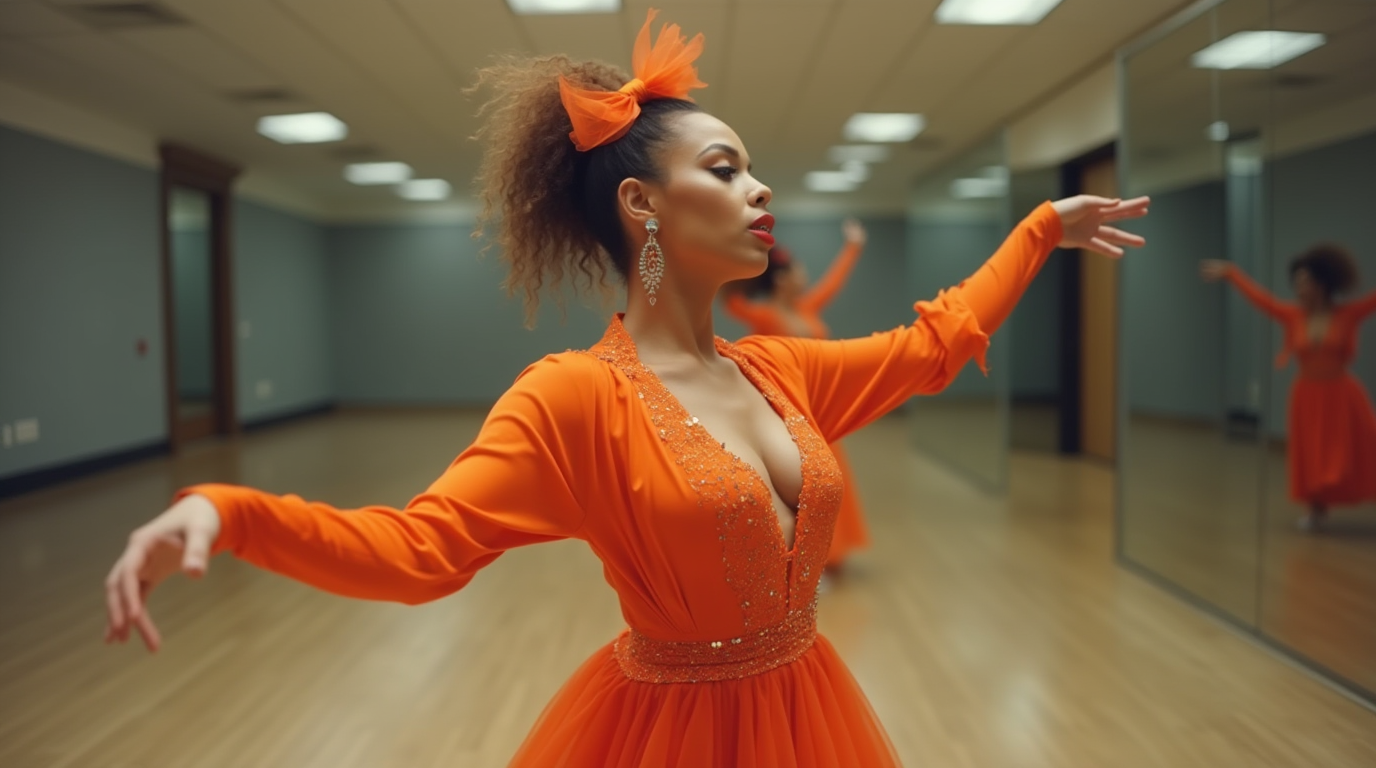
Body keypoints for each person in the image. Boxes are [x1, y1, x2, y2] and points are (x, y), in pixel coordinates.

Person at [104, 12, 1149, 767]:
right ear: (643, 204)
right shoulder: (572, 400)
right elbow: (417, 553)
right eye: (727, 168)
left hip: (807, 712)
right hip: (669, 736)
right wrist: (228, 510)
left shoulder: (775, 369)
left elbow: (933, 344)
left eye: (751, 170)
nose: (759, 189)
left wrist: (1037, 233)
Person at [723, 220, 872, 569]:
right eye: (799, 272)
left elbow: (834, 283)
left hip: (820, 405)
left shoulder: (806, 309)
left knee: (832, 478)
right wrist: (735, 248)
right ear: (782, 279)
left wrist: (853, 247)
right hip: (788, 408)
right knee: (801, 482)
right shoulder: (765, 315)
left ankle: (832, 552)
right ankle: (802, 555)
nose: (805, 277)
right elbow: (729, 297)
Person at [1203, 247, 1376, 529]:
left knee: (1360, 448)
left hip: (1341, 394)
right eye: (1296, 281)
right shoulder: (1293, 315)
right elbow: (1262, 301)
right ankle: (1316, 510)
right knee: (1312, 453)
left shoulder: (1348, 314)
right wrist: (1232, 274)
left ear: (1322, 283)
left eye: (1304, 281)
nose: (1298, 287)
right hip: (1307, 395)